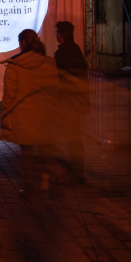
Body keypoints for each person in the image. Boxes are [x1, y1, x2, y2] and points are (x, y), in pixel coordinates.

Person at [0, 29, 60, 196]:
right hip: (46, 114)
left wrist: (6, 112)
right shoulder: (49, 62)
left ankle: (31, 187)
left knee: (27, 153)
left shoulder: (14, 64)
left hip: (24, 114)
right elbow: (55, 89)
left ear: (23, 43)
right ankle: (52, 185)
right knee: (47, 151)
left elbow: (9, 93)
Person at [53, 21, 90, 186]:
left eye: (57, 32)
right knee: (72, 137)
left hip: (70, 100)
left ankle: (77, 173)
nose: (56, 35)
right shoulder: (73, 50)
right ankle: (74, 170)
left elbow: (66, 77)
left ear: (61, 34)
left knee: (73, 137)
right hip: (73, 100)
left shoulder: (66, 52)